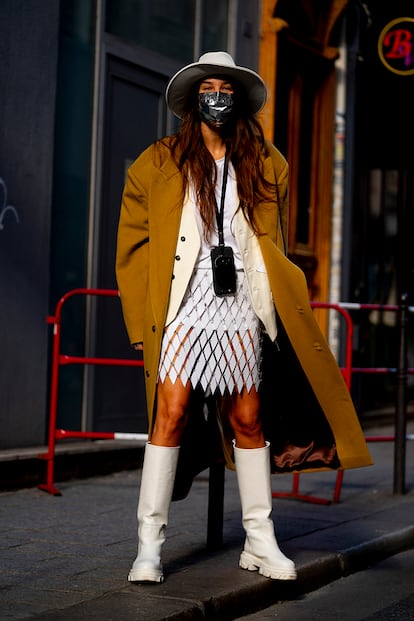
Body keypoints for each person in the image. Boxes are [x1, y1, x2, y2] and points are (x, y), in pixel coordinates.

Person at [115, 51, 372, 584]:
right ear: (192, 100)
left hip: (239, 305)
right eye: (207, 87)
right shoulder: (159, 162)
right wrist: (141, 325)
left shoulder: (263, 160)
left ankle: (260, 540)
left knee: (249, 420)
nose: (217, 97)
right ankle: (149, 546)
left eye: (225, 88)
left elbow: (271, 243)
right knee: (172, 414)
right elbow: (133, 247)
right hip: (183, 304)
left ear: (237, 99)